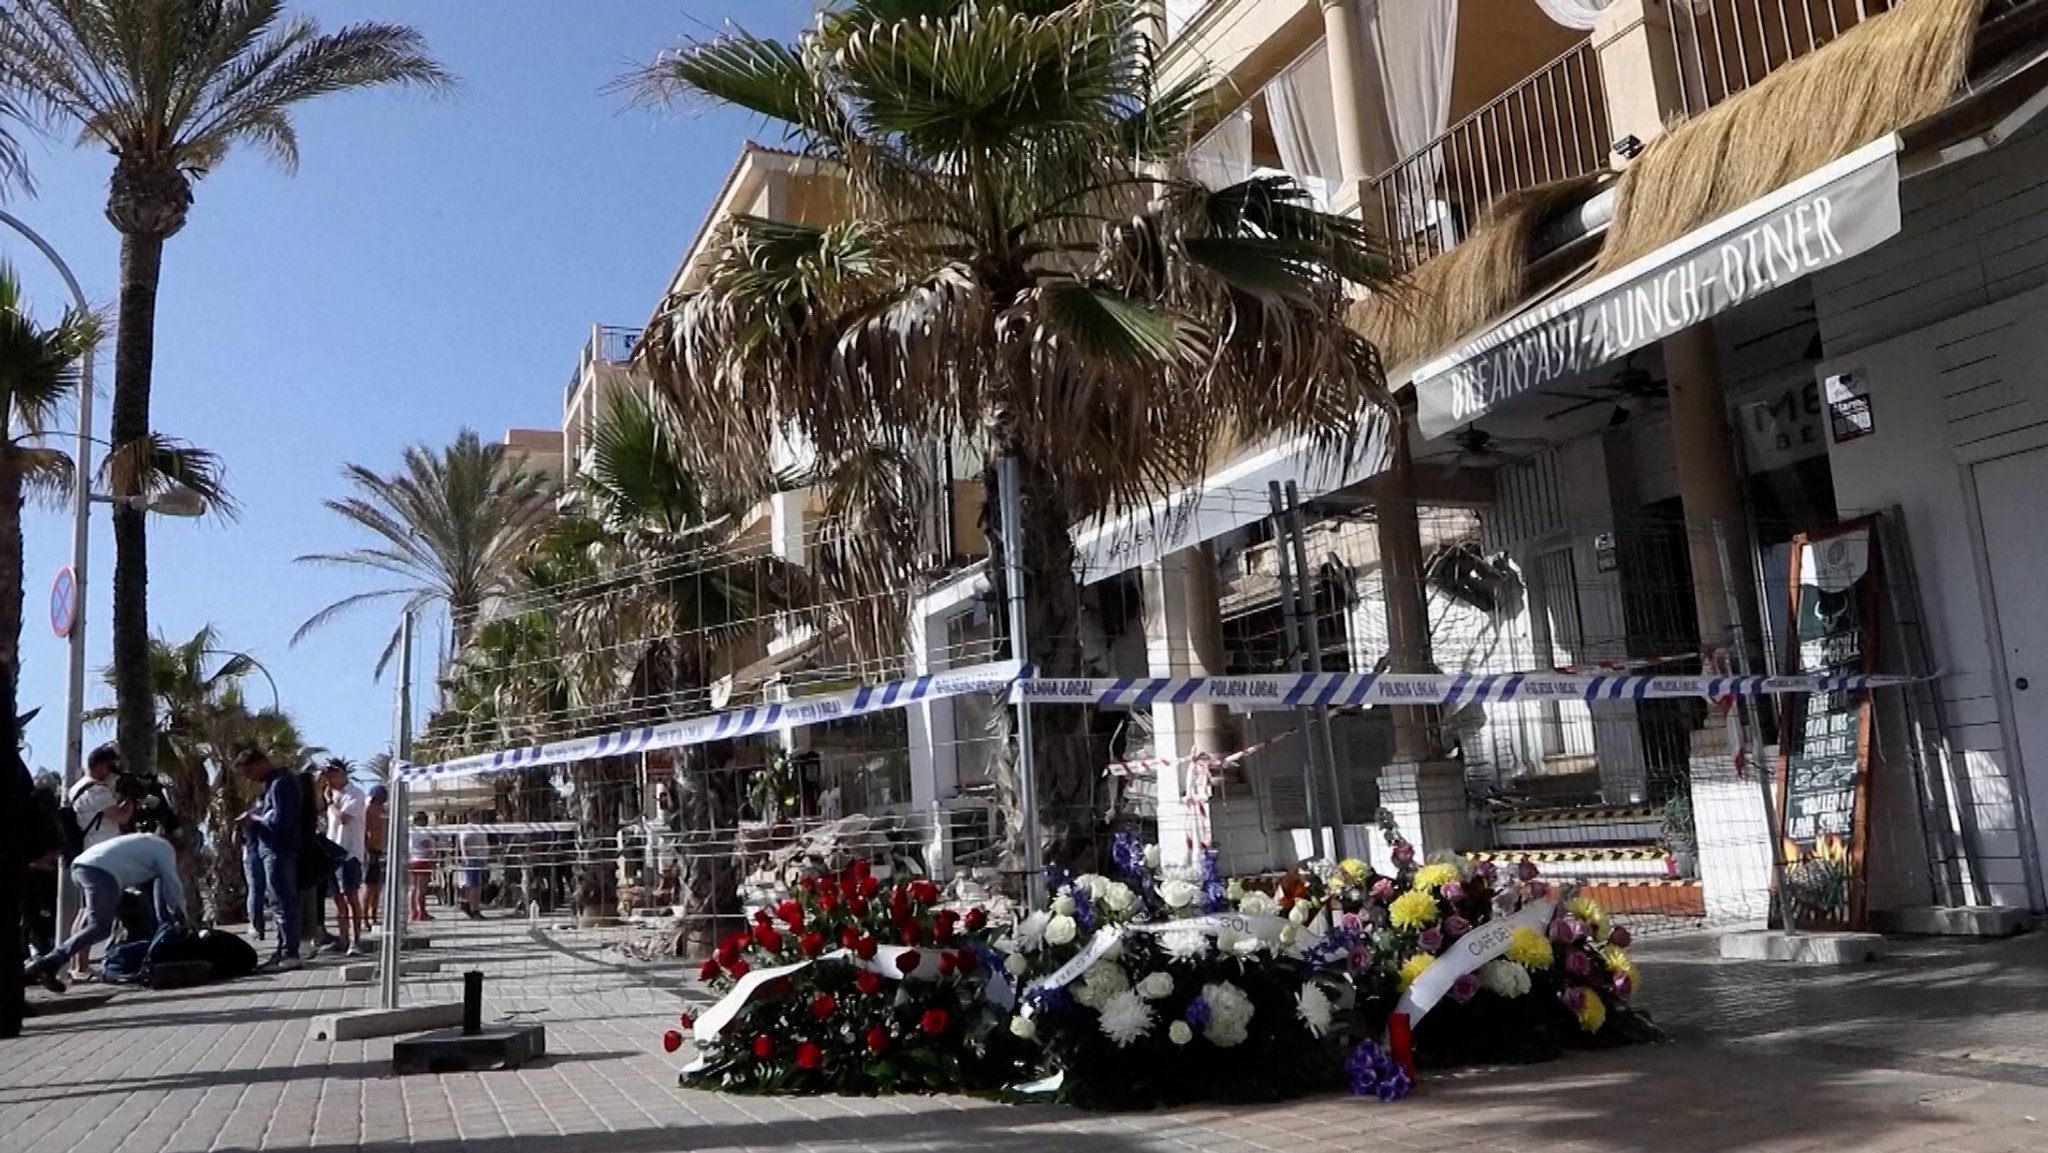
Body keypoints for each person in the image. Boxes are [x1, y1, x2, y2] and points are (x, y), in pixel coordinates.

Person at [22, 831, 189, 992]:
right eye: (181, 860)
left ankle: (55, 964)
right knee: (99, 926)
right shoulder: (165, 849)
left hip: (86, 866)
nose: (180, 864)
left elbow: (159, 891)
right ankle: (47, 963)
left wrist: (167, 921)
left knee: (104, 920)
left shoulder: (149, 844)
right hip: (100, 872)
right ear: (178, 850)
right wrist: (183, 915)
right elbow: (172, 883)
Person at [62, 745, 133, 980]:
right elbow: (122, 817)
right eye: (109, 767)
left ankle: (78, 964)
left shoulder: (76, 789)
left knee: (85, 911)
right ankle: (79, 966)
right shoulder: (96, 792)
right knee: (93, 916)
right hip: (101, 857)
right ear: (99, 765)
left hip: (89, 854)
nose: (111, 773)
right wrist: (130, 799)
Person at [237, 748, 302, 971]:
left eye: (249, 772)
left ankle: (290, 952)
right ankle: (283, 949)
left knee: (282, 901)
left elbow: (280, 820)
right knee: (277, 902)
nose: (250, 778)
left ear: (260, 763)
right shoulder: (274, 783)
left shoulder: (282, 783)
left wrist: (254, 818)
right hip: (271, 848)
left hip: (279, 848)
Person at [320, 761, 369, 956]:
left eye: (332, 774)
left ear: (341, 773)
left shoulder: (355, 794)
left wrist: (330, 802)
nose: (329, 779)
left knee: (351, 897)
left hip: (349, 853)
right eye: (326, 775)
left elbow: (343, 818)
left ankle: (356, 940)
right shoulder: (331, 794)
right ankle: (342, 938)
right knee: (338, 900)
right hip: (332, 853)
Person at [363, 785, 389, 933]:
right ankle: (364, 918)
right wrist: (367, 849)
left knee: (377, 887)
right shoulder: (368, 809)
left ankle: (373, 915)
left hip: (381, 850)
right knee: (368, 887)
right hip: (370, 850)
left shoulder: (384, 811)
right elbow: (363, 830)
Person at [406, 812, 436, 922]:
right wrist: (433, 854)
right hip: (422, 860)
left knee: (413, 888)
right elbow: (426, 844)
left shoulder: (412, 831)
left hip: (412, 859)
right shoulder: (422, 832)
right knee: (421, 889)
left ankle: (413, 912)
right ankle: (421, 912)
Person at [456, 825, 490, 919]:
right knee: (475, 886)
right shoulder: (467, 829)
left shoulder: (482, 828)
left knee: (475, 885)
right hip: (472, 860)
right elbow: (463, 844)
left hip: (481, 859)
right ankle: (474, 910)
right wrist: (466, 857)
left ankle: (467, 904)